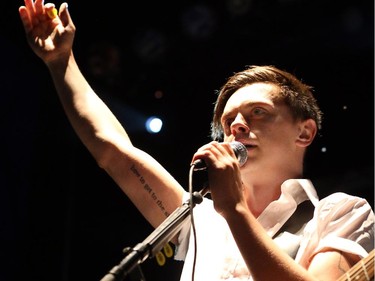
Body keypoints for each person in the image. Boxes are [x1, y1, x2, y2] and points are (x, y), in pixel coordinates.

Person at [18, 1, 374, 281]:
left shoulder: (340, 213)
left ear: (305, 132)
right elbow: (113, 151)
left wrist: (234, 209)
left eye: (258, 112)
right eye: (228, 119)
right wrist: (60, 62)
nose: (236, 125)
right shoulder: (200, 218)